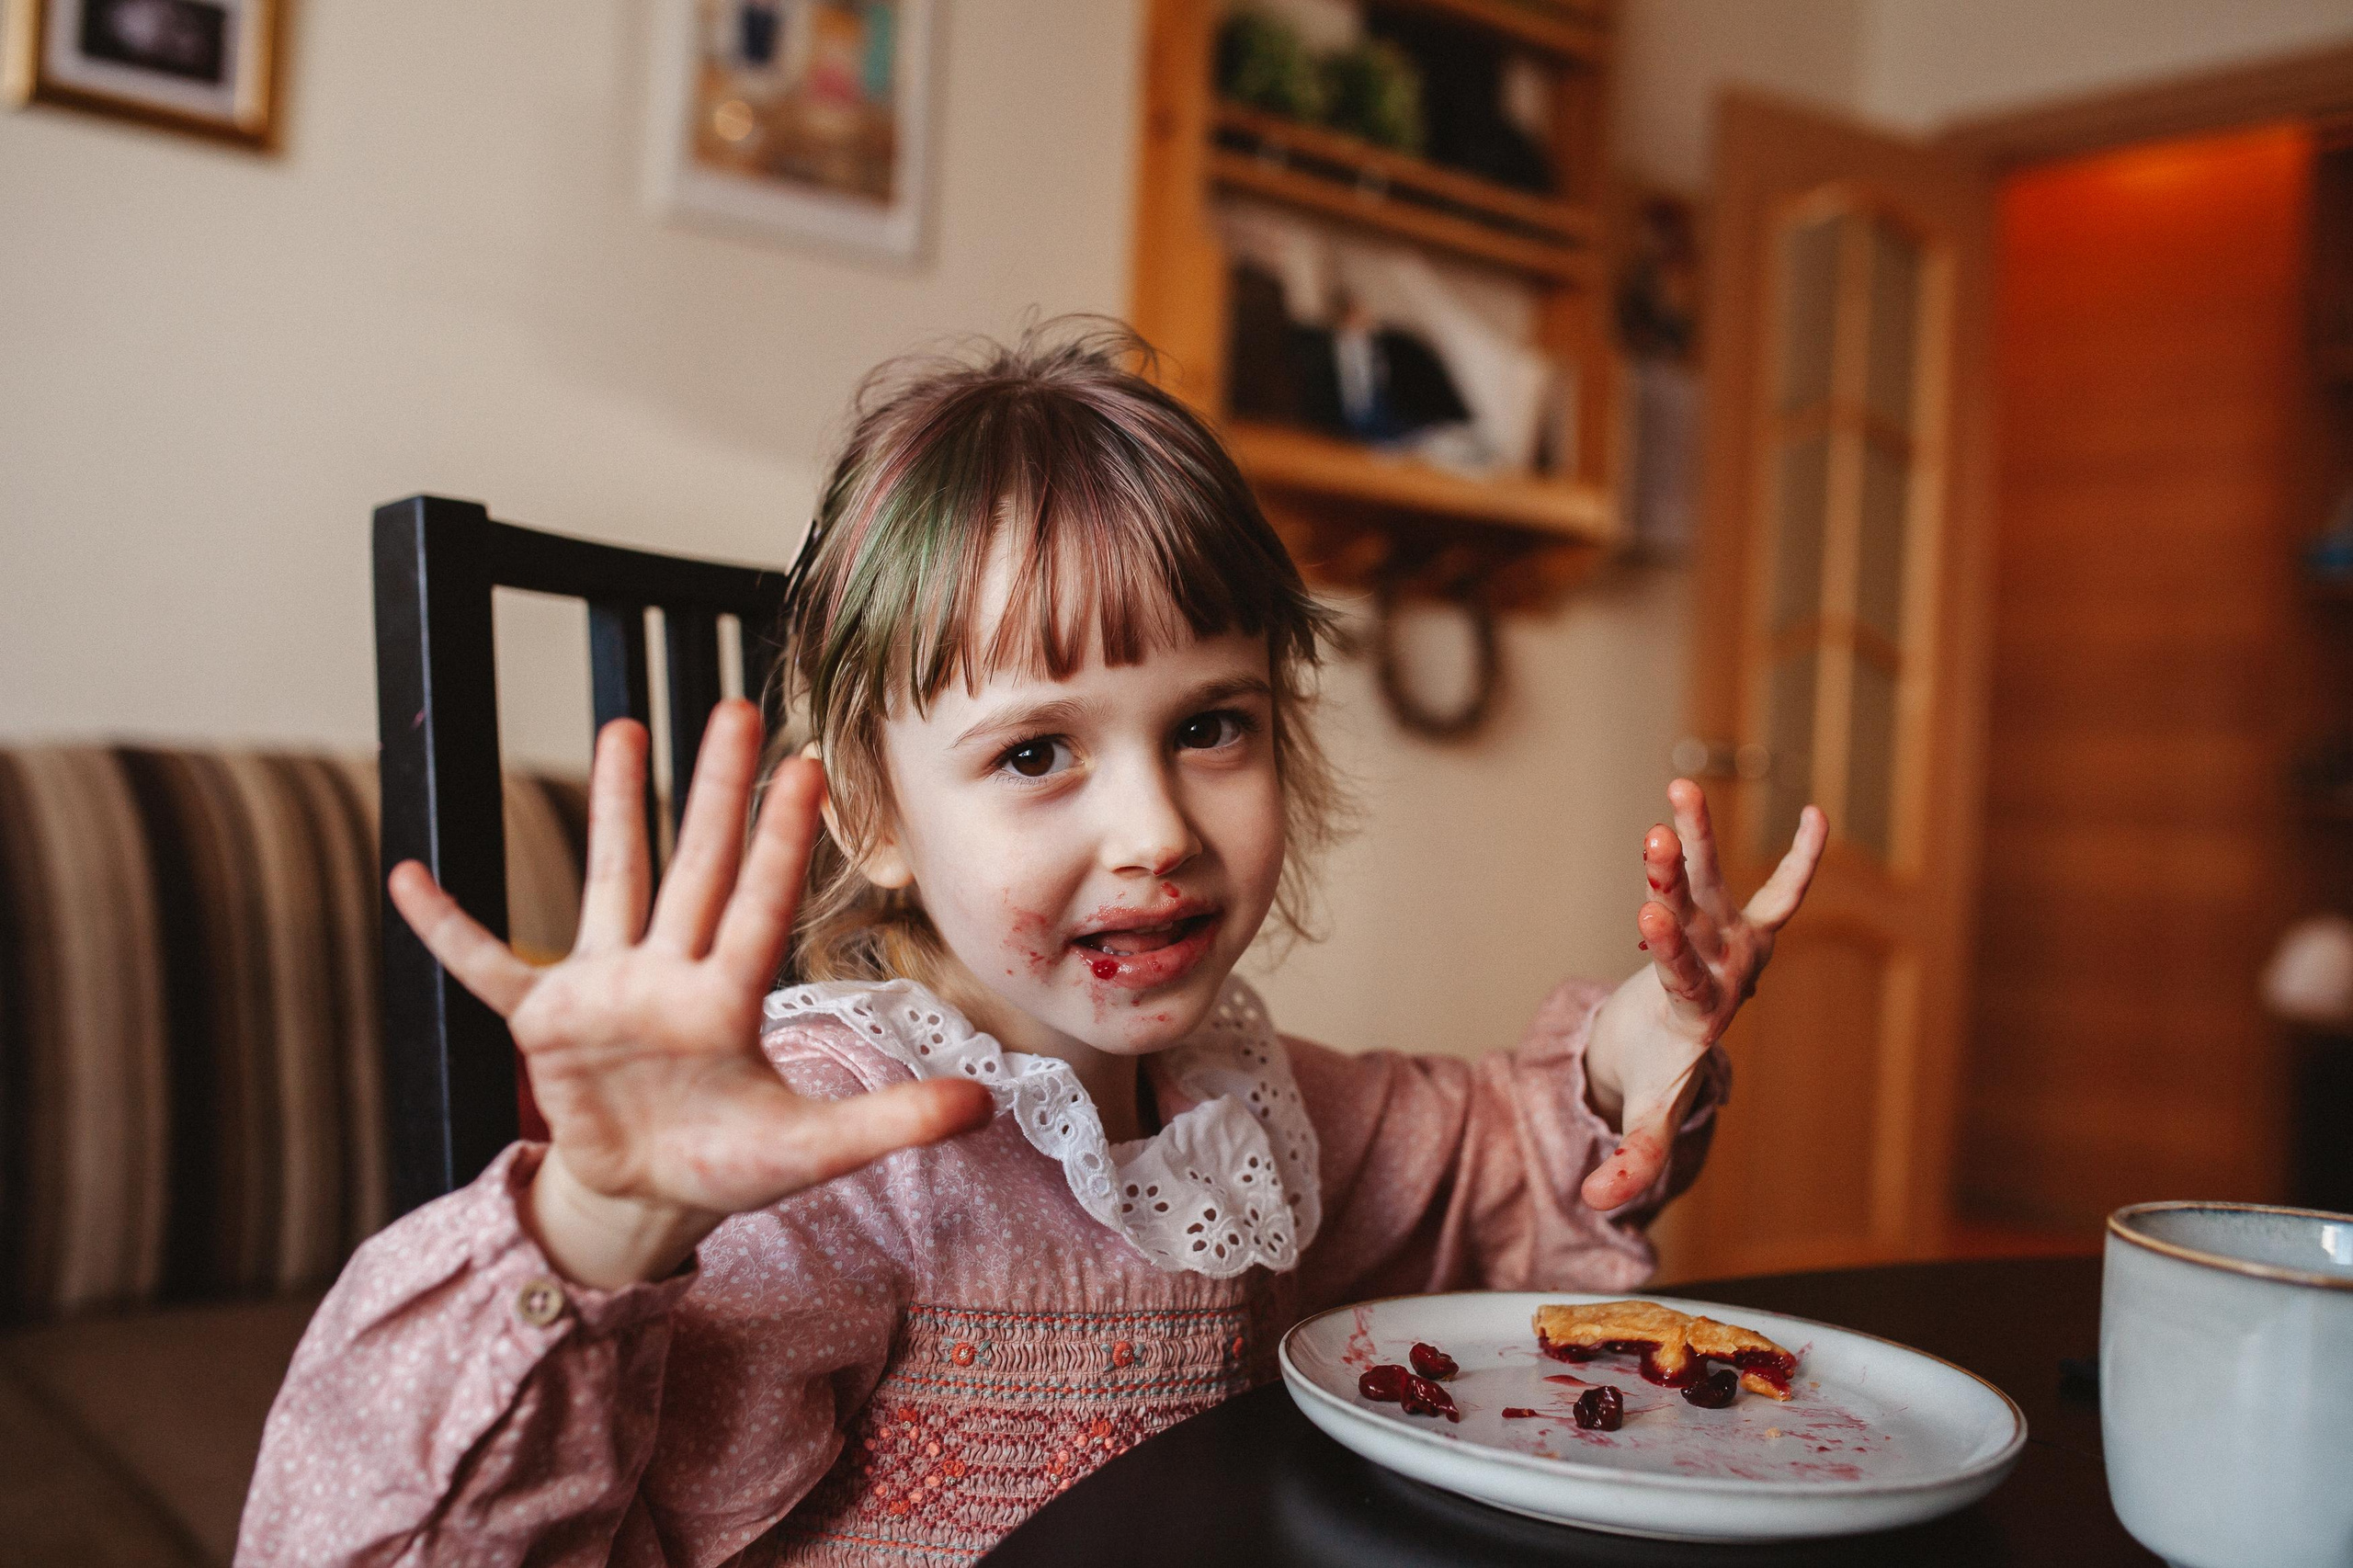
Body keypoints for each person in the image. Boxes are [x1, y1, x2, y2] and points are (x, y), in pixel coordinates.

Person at [236, 322, 1825, 1567]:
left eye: (1211, 724)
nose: (1154, 831)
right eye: (1035, 753)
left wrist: (1642, 1036)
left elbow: (1486, 1155)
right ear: (870, 805)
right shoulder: (825, 1156)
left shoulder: (1237, 1103)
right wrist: (602, 1219)